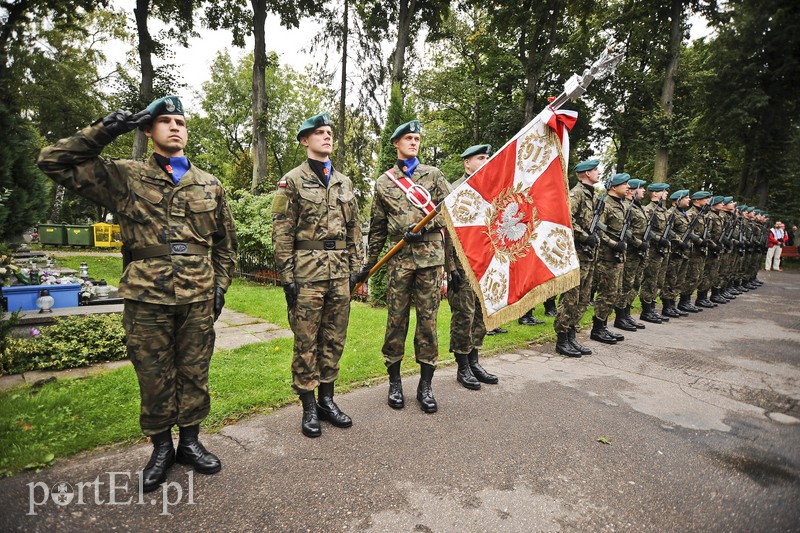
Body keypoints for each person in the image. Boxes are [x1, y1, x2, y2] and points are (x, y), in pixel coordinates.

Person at [37, 96, 237, 492]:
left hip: (198, 294)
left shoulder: (209, 184)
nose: (175, 127)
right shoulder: (124, 176)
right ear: (148, 130)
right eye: (165, 121)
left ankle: (191, 443)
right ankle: (162, 448)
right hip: (147, 295)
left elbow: (226, 243)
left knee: (195, 371)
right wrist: (108, 128)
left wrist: (220, 285)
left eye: (180, 121)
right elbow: (52, 161)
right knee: (153, 374)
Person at [271, 113, 363, 438]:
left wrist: (356, 266)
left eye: (329, 132)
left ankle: (327, 400)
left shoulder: (344, 182)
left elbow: (354, 228)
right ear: (304, 140)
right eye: (319, 133)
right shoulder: (291, 181)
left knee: (334, 338)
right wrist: (287, 276)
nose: (326, 137)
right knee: (306, 340)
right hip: (307, 272)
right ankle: (309, 406)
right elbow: (281, 231)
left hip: (339, 272)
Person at [357, 120, 452, 413]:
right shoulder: (384, 182)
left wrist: (425, 227)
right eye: (408, 138)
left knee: (428, 321)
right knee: (396, 320)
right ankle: (394, 382)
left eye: (417, 138)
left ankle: (426, 386)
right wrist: (367, 266)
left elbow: (451, 210)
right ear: (396, 144)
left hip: (431, 259)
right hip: (399, 259)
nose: (414, 142)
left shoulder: (433, 175)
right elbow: (376, 229)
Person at [447, 144, 498, 388]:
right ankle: (462, 365)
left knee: (479, 316)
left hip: (485, 265)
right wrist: (451, 268)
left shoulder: (489, 190)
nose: (486, 161)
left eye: (487, 157)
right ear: (467, 163)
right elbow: (445, 233)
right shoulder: (456, 190)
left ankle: (475, 360)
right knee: (463, 316)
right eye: (481, 158)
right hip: (462, 266)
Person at [553, 158, 602, 356]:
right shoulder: (577, 194)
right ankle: (562, 339)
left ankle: (572, 335)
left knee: (583, 298)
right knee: (570, 298)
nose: (599, 172)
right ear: (586, 174)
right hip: (576, 254)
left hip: (588, 255)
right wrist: (584, 236)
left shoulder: (593, 196)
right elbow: (567, 219)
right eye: (595, 169)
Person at [590, 173, 630, 345]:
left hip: (618, 257)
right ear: (614, 187)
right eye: (624, 184)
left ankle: (604, 325)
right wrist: (613, 244)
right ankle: (597, 328)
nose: (628, 187)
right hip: (606, 257)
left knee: (615, 292)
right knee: (606, 293)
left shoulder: (621, 205)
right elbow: (598, 229)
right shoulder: (605, 204)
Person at [614, 178, 648, 331]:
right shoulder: (627, 207)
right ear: (633, 190)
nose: (644, 191)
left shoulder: (638, 207)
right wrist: (638, 243)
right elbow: (625, 230)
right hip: (630, 251)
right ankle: (620, 317)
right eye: (641, 188)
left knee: (635, 283)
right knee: (626, 284)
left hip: (639, 252)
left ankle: (627, 314)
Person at [638, 182, 671, 323]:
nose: (667, 193)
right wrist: (659, 239)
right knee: (650, 280)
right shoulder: (649, 210)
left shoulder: (663, 210)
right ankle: (646, 311)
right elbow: (647, 231)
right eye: (664, 191)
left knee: (658, 281)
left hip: (661, 251)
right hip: (652, 250)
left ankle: (651, 308)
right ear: (655, 193)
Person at [661, 189, 691, 318]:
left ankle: (673, 304)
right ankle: (667, 306)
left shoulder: (683, 214)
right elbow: (668, 231)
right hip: (674, 251)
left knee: (679, 280)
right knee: (671, 279)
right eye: (686, 197)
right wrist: (679, 241)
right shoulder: (671, 213)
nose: (689, 199)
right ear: (677, 200)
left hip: (684, 252)